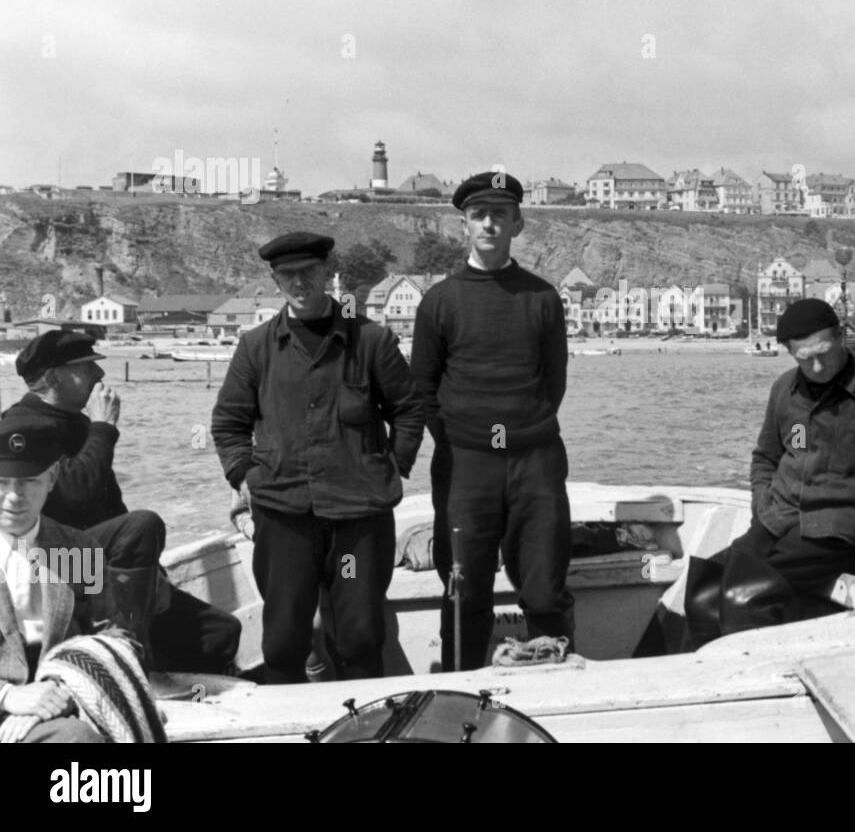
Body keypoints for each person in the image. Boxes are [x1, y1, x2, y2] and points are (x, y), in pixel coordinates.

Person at [210, 232, 423, 684]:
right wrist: (243, 473)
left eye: (309, 272)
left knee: (361, 636)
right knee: (284, 640)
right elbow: (229, 422)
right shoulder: (256, 347)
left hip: (359, 518)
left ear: (328, 273)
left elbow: (408, 410)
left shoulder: (371, 341)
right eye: (288, 275)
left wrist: (392, 466)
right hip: (284, 516)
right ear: (275, 280)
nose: (300, 283)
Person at [685, 298, 855, 644]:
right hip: (777, 522)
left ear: (841, 337)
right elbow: (765, 458)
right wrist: (762, 507)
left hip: (838, 529)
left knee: (743, 594)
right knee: (703, 588)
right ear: (789, 352)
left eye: (823, 353)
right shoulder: (784, 390)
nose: (815, 366)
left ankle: (757, 682)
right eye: (803, 358)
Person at [3, 330, 240, 675]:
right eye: (86, 368)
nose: (99, 375)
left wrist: (151, 574)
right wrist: (104, 428)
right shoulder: (20, 427)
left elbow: (111, 509)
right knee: (143, 523)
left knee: (221, 633)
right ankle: (130, 655)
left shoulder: (76, 424)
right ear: (53, 376)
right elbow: (76, 491)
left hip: (94, 564)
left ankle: (184, 689)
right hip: (56, 568)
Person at [410, 171, 573, 671]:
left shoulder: (543, 298)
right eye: (479, 215)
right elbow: (422, 389)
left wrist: (518, 434)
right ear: (464, 225)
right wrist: (467, 438)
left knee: (545, 590)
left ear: (517, 224)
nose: (489, 224)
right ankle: (460, 690)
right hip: (466, 465)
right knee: (464, 588)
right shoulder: (439, 302)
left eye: (500, 215)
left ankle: (554, 687)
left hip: (535, 460)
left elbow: (554, 383)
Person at [0, 414, 108, 743]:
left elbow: (109, 637)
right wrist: (8, 697)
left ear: (53, 477)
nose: (15, 496)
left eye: (30, 481)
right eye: (2, 481)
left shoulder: (78, 549)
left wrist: (57, 694)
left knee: (80, 737)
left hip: (57, 703)